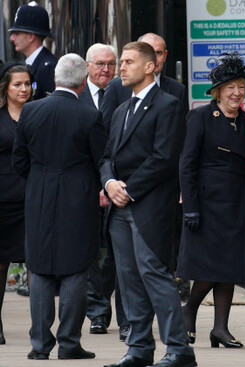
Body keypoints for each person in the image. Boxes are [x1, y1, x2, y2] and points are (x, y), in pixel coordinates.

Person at [100, 41, 196, 367]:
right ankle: (139, 348)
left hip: (149, 207)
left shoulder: (168, 105)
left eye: (128, 62)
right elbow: (107, 157)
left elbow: (165, 158)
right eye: (121, 61)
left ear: (150, 66)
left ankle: (179, 349)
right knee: (128, 281)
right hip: (119, 210)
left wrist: (129, 189)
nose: (121, 67)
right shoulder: (120, 110)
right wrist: (110, 183)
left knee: (155, 276)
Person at [12, 54, 106, 360]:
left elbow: (19, 161)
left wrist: (41, 179)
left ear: (55, 80)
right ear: (82, 82)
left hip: (38, 195)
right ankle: (69, 343)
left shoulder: (31, 111)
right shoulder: (89, 115)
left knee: (38, 267)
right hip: (78, 198)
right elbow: (99, 159)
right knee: (76, 268)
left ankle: (39, 345)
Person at [178, 52, 245, 349]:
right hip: (208, 201)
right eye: (230, 88)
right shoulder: (200, 116)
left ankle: (221, 328)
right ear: (217, 92)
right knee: (209, 266)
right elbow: (187, 164)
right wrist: (192, 208)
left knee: (231, 266)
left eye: (241, 86)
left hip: (237, 201)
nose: (237, 93)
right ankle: (189, 310)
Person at [81, 43, 131, 341]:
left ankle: (115, 306)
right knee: (88, 253)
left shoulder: (123, 92)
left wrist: (109, 182)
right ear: (87, 65)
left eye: (111, 64)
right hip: (84, 186)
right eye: (100, 64)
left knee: (114, 253)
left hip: (116, 185)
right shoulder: (75, 94)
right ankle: (97, 312)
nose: (106, 70)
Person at [0, 62, 33, 345]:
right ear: (6, 88)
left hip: (33, 198)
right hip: (2, 200)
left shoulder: (38, 113)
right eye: (17, 84)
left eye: (27, 84)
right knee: (0, 264)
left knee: (37, 264)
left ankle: (40, 326)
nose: (24, 89)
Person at [9, 2, 57, 100]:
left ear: (31, 36)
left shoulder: (48, 67)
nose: (12, 38)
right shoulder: (30, 63)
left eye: (17, 33)